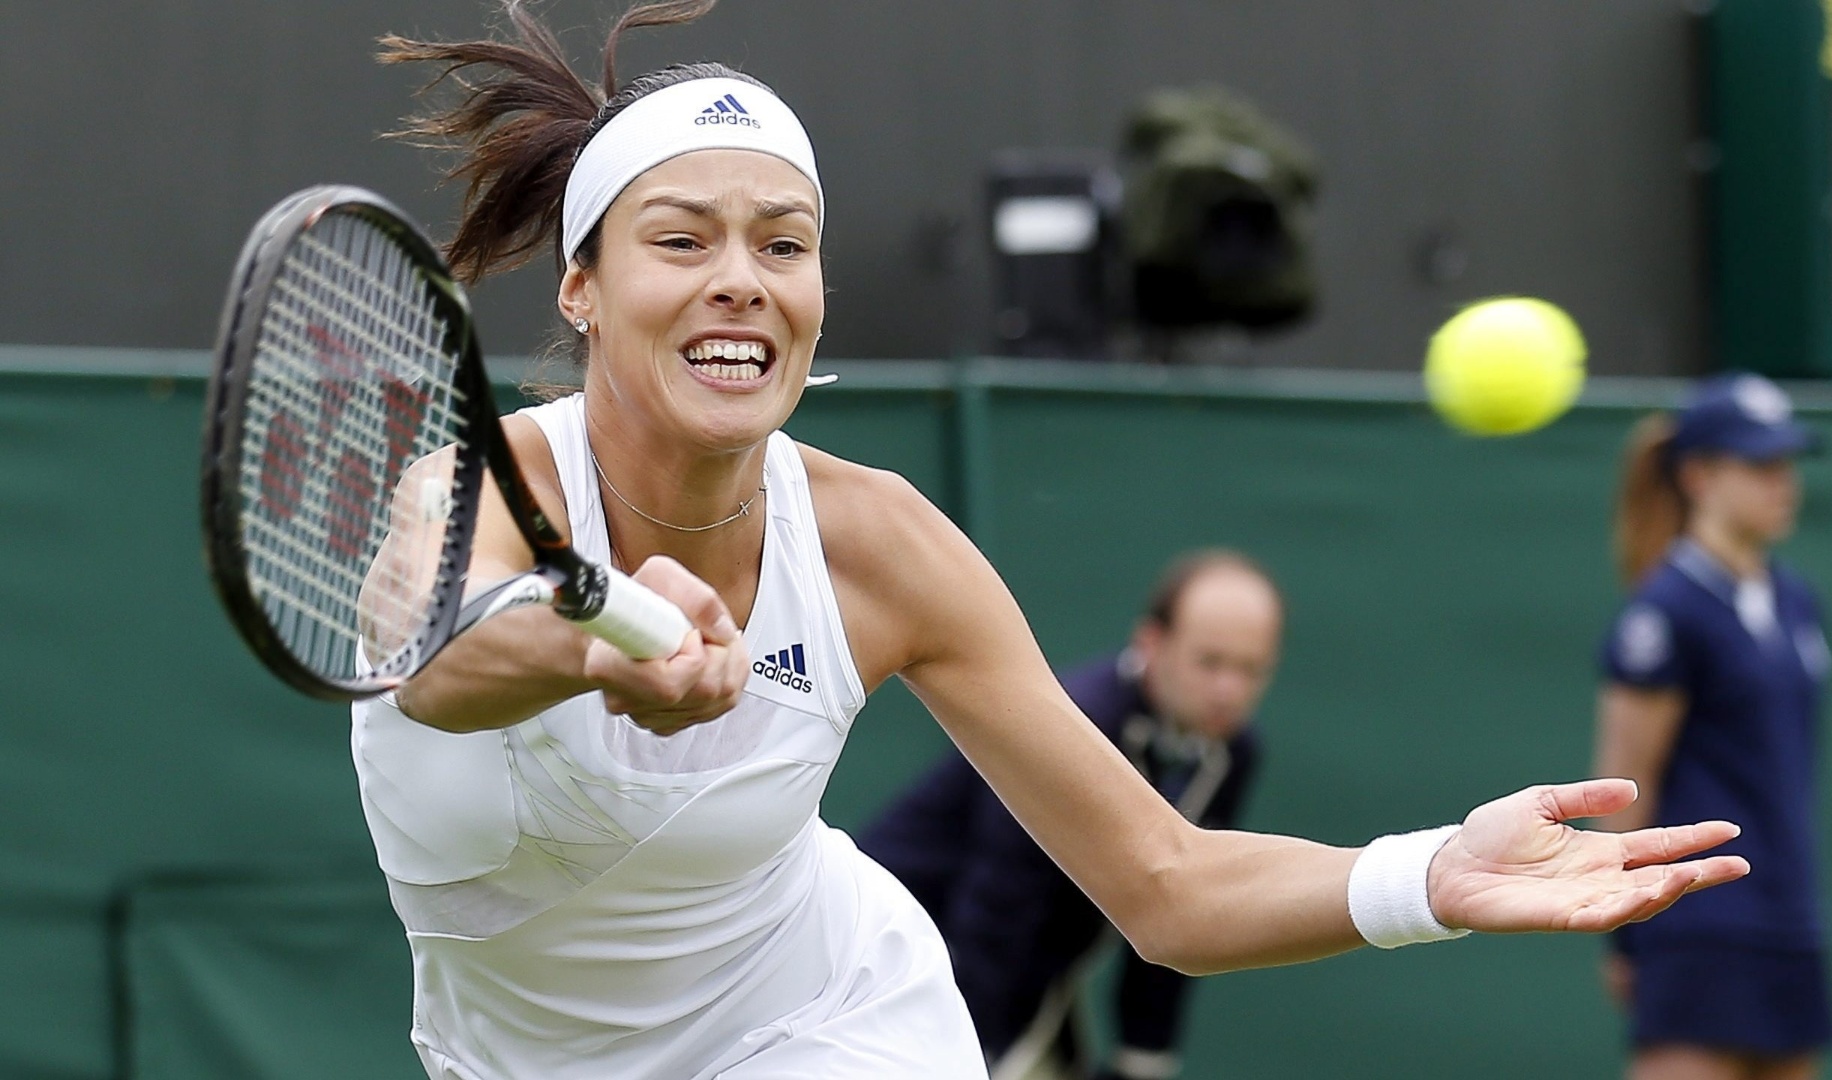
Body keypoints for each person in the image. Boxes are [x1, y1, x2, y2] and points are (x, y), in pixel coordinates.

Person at [348, 3, 1748, 1078]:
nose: (741, 282)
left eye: (783, 244)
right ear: (584, 287)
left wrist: (1428, 876)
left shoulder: (880, 544)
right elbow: (439, 662)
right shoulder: (465, 494)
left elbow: (1165, 887)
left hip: (826, 1028)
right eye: (683, 240)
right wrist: (598, 655)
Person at [863, 550, 1281, 1080]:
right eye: (1211, 662)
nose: (1230, 691)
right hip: (902, 965)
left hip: (1028, 977)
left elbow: (1182, 908)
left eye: (1250, 669)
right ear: (1152, 644)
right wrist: (966, 1057)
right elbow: (998, 907)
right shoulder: (1085, 718)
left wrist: (1141, 1059)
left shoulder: (1231, 755)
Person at [1592, 373, 1832, 1080]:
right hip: (1698, 927)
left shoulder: (1795, 600)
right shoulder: (1665, 612)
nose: (1782, 483)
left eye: (1787, 464)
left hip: (1789, 921)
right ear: (1698, 475)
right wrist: (1627, 933)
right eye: (1760, 466)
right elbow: (1625, 789)